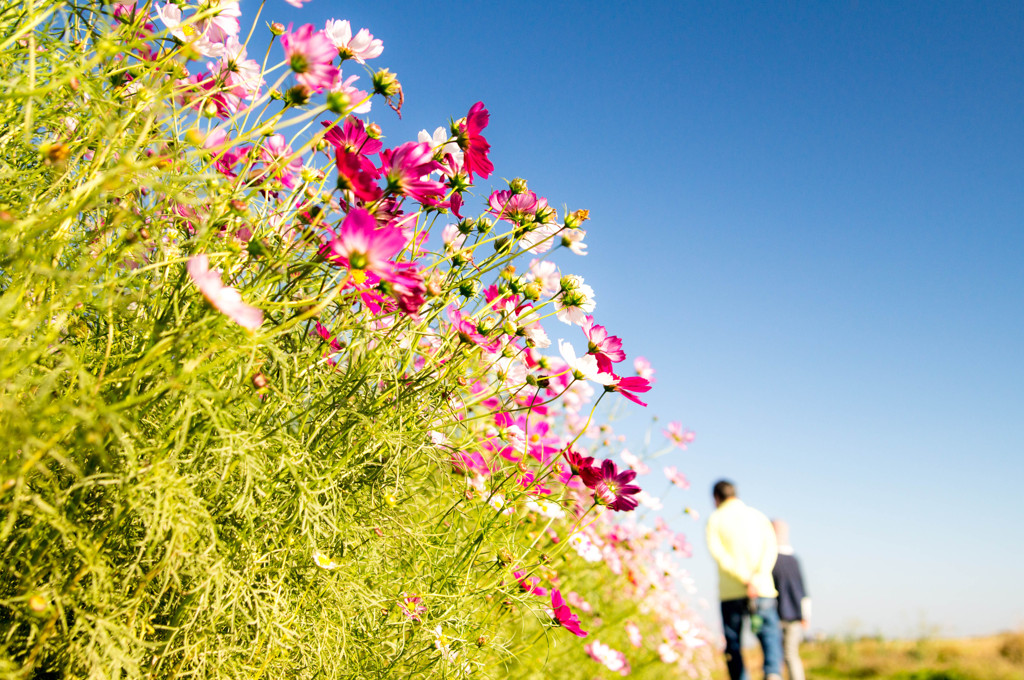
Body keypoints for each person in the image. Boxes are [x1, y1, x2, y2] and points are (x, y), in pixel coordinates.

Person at [706, 480, 783, 680]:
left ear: (716, 498)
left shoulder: (715, 519)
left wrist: (744, 578)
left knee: (734, 643)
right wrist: (757, 578)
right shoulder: (758, 516)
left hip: (731, 592)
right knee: (769, 636)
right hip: (762, 589)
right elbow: (771, 549)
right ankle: (773, 673)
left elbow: (719, 555)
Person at [771, 519, 811, 680]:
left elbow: (802, 590)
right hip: (793, 615)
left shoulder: (770, 558)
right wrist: (805, 615)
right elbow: (803, 591)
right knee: (790, 654)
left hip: (777, 615)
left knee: (778, 655)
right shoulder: (794, 559)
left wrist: (805, 615)